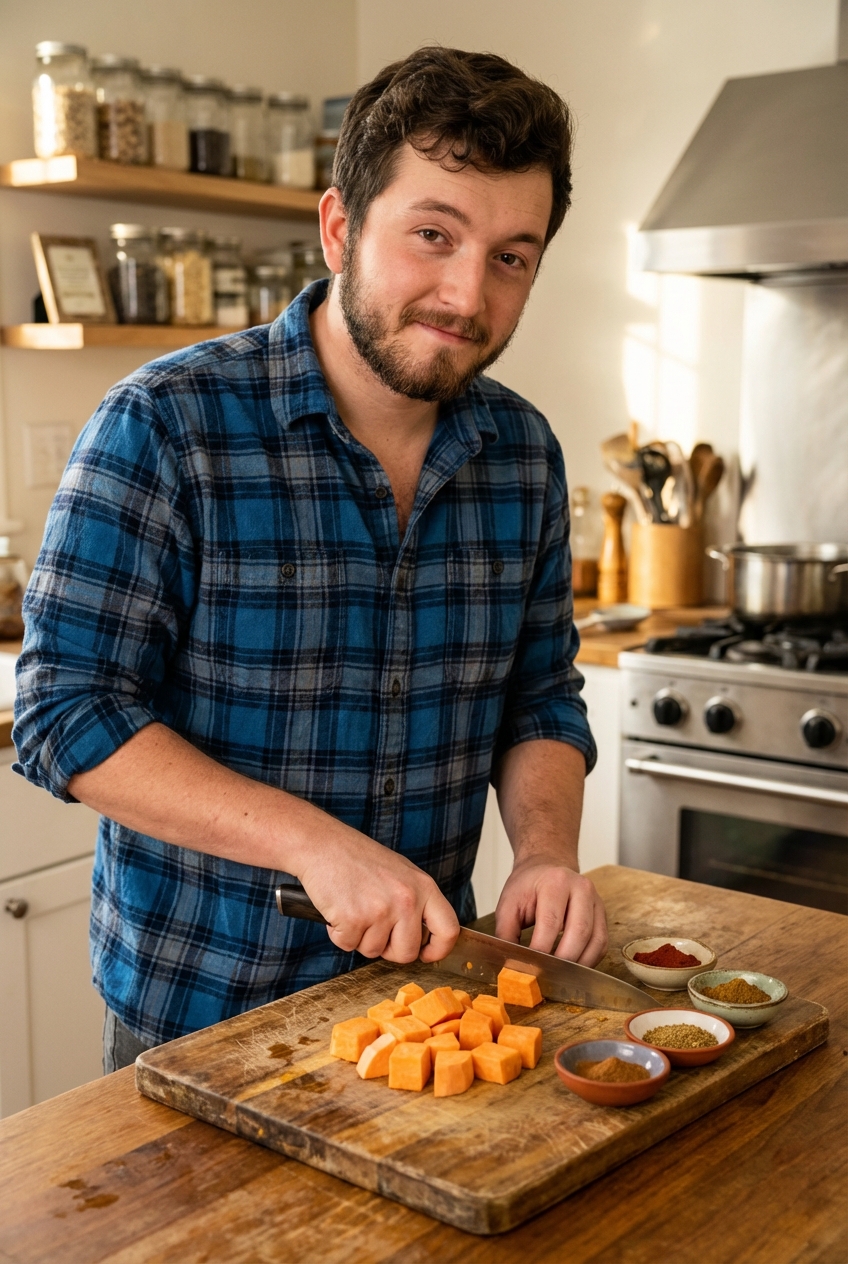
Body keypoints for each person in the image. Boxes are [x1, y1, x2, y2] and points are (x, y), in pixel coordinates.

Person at [13, 46, 607, 1072]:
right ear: (339, 225)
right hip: (198, 1018)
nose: (466, 294)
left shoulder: (524, 455)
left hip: (425, 1007)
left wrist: (547, 853)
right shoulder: (165, 424)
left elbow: (541, 697)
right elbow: (65, 711)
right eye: (432, 235)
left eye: (511, 256)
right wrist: (312, 842)